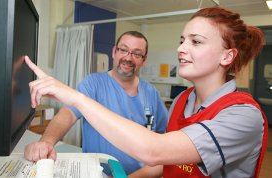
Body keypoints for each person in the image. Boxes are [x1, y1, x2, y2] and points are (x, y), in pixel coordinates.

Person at [24, 7, 268, 178]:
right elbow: (167, 161)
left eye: (195, 42)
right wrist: (46, 140)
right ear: (114, 52)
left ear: (227, 56)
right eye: (182, 40)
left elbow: (155, 149)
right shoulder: (184, 100)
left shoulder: (243, 115)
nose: (180, 48)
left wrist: (75, 95)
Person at [24, 31, 168, 177]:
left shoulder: (152, 94)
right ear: (114, 52)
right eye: (123, 50)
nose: (128, 58)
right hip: (98, 173)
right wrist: (46, 142)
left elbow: (163, 141)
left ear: (144, 60)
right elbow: (67, 114)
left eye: (136, 54)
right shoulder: (93, 84)